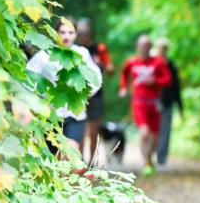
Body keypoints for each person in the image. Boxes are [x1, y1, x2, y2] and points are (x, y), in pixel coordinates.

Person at [25, 17, 103, 157]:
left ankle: (70, 175)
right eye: (62, 32)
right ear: (56, 33)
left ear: (75, 34)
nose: (66, 36)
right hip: (50, 116)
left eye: (70, 32)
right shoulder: (44, 56)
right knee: (54, 159)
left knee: (71, 152)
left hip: (75, 115)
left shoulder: (82, 54)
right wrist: (36, 102)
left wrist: (86, 94)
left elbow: (95, 77)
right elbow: (28, 78)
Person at [119, 33, 172, 175]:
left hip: (154, 103)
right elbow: (124, 75)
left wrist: (155, 82)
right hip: (139, 103)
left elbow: (167, 79)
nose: (145, 48)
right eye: (143, 45)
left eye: (148, 45)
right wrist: (124, 88)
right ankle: (145, 162)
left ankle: (149, 159)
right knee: (144, 133)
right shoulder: (131, 62)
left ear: (151, 47)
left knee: (154, 137)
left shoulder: (158, 62)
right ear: (138, 46)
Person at [76, 18, 115, 165]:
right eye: (80, 33)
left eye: (86, 33)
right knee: (78, 130)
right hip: (78, 95)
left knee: (93, 132)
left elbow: (111, 70)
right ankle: (79, 163)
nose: (83, 36)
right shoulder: (75, 49)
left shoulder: (99, 48)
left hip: (96, 95)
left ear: (91, 33)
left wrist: (100, 64)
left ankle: (92, 163)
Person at [151, 38, 183, 167]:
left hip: (167, 102)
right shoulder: (151, 64)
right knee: (153, 130)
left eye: (164, 48)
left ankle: (161, 158)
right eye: (160, 48)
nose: (162, 51)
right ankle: (149, 155)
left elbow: (176, 87)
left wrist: (180, 106)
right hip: (152, 102)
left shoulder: (171, 66)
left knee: (165, 131)